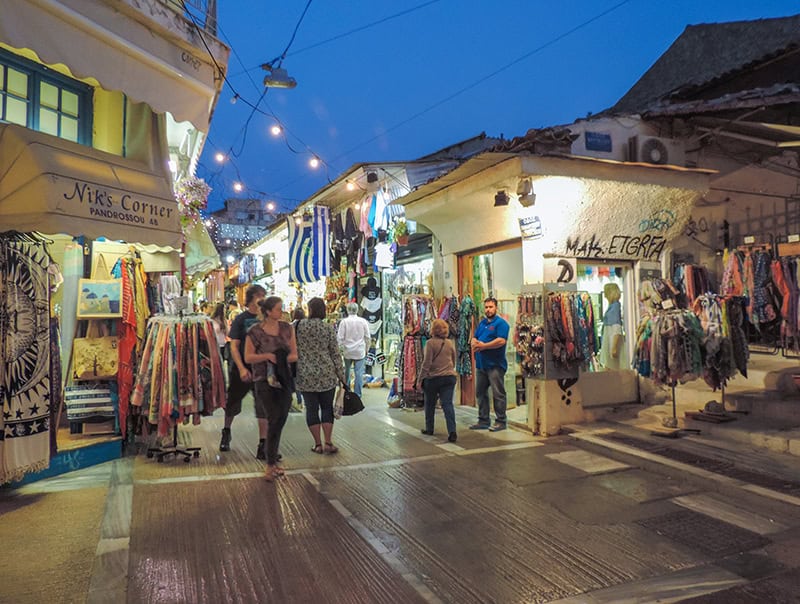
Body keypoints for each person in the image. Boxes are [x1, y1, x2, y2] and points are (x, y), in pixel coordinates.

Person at [245, 296, 298, 481]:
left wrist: (280, 358)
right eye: (278, 309)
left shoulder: (286, 328)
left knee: (281, 417)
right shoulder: (255, 332)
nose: (281, 312)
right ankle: (270, 463)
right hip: (263, 380)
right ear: (268, 312)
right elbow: (248, 357)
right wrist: (267, 356)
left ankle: (272, 461)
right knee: (273, 417)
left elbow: (294, 354)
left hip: (283, 379)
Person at [219, 284, 266, 455]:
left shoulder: (266, 319)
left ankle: (263, 444)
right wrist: (240, 368)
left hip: (261, 370)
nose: (263, 298)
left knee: (263, 406)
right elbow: (234, 346)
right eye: (260, 295)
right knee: (232, 403)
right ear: (252, 298)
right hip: (242, 369)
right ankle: (226, 432)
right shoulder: (241, 319)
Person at [295, 297, 346, 455]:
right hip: (326, 374)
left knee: (311, 409)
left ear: (309, 310)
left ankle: (317, 444)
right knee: (326, 408)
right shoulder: (328, 328)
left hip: (305, 374)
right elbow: (335, 353)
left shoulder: (298, 326)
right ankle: (328, 442)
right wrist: (342, 376)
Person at [470, 297, 509, 431]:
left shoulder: (501, 324)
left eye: (491, 307)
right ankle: (483, 420)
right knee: (480, 393)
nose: (488, 309)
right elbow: (475, 336)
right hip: (481, 365)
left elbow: (501, 341)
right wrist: (474, 342)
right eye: (486, 307)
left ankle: (501, 421)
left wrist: (484, 346)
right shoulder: (482, 324)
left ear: (496, 308)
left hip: (495, 365)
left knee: (498, 393)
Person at [417, 318, 458, 442]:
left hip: (433, 378)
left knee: (429, 404)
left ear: (433, 330)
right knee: (447, 404)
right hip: (449, 377)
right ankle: (452, 431)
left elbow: (426, 363)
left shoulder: (430, 343)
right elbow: (453, 360)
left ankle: (429, 428)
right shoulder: (450, 343)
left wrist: (420, 379)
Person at [337, 302, 371, 398]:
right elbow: (367, 337)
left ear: (347, 310)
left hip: (348, 351)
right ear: (357, 310)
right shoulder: (363, 321)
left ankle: (346, 392)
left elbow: (340, 338)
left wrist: (341, 349)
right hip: (360, 351)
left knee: (347, 373)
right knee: (359, 373)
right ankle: (357, 395)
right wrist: (366, 349)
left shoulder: (344, 322)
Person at [599, 282, 627, 370]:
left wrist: (614, 347)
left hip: (612, 340)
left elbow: (616, 328)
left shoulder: (615, 307)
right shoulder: (613, 306)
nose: (605, 295)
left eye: (606, 292)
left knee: (612, 368)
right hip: (610, 339)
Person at [290, 307, 306, 411]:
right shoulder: (308, 326)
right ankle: (304, 401)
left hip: (294, 355)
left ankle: (299, 401)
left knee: (295, 379)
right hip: (306, 356)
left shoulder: (291, 326)